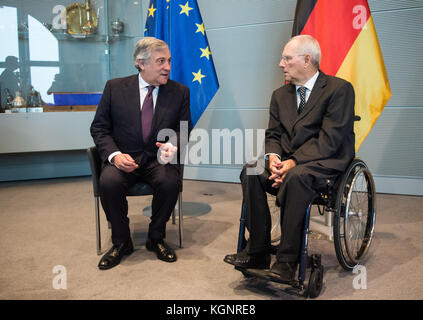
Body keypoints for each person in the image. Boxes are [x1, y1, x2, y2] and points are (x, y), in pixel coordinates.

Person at [224, 35, 355, 282]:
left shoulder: (339, 90)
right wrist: (273, 157)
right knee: (251, 170)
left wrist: (293, 162)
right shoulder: (280, 95)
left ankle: (286, 261)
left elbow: (329, 140)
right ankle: (258, 250)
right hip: (287, 161)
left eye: (286, 58)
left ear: (307, 60)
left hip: (324, 160)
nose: (280, 64)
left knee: (296, 177)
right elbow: (274, 134)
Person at [90, 37, 191, 270]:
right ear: (141, 63)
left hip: (158, 159)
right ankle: (121, 241)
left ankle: (156, 237)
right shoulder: (114, 88)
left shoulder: (179, 92)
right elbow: (99, 128)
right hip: (124, 158)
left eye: (169, 61)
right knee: (109, 182)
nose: (167, 67)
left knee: (170, 181)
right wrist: (114, 155)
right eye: (161, 61)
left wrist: (172, 145)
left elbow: (184, 129)